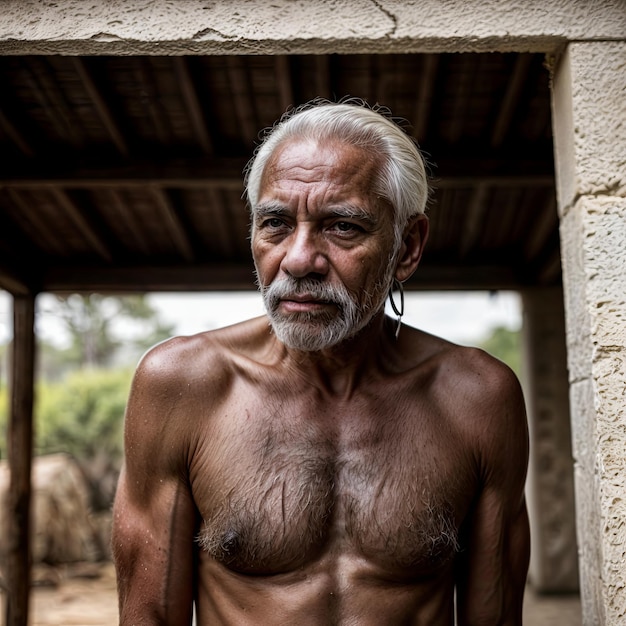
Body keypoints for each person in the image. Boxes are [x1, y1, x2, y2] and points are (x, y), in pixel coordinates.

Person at [111, 98, 530, 625]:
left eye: (342, 227)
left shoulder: (479, 398)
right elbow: (148, 615)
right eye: (276, 223)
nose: (298, 259)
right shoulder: (184, 385)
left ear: (407, 247)